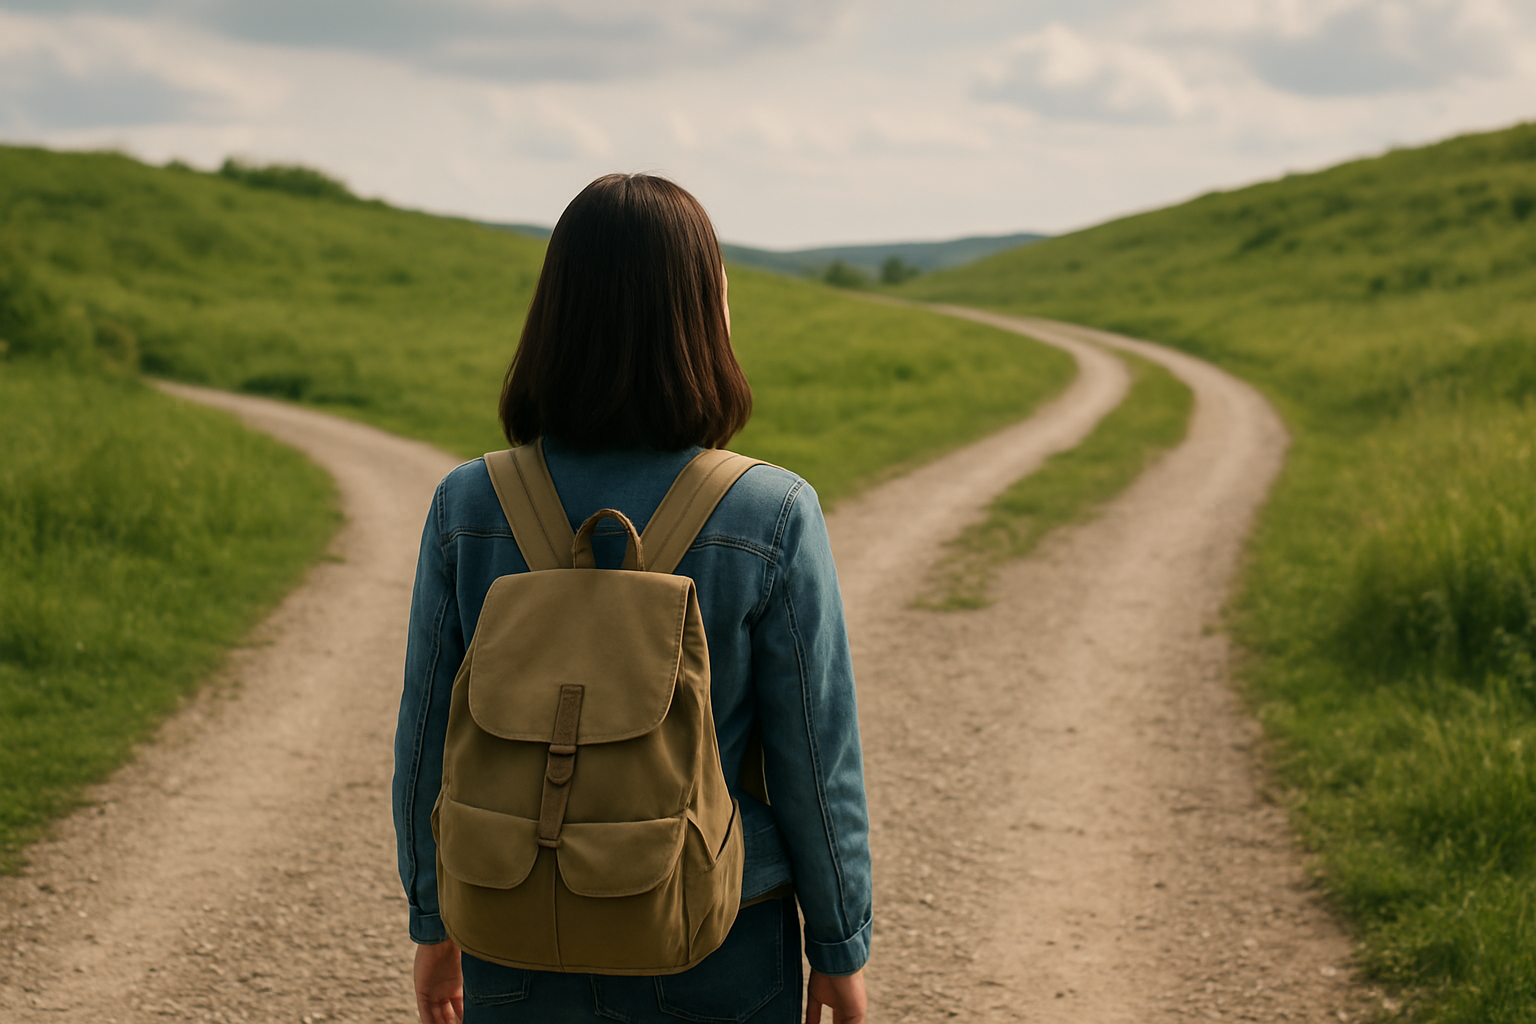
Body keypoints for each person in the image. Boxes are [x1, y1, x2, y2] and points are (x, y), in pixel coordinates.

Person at [392, 173, 872, 1024]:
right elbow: (814, 754)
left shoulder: (469, 506)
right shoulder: (770, 511)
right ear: (702, 315)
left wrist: (433, 921)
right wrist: (838, 947)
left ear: (556, 314)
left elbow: (428, 736)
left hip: (512, 917)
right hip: (719, 924)